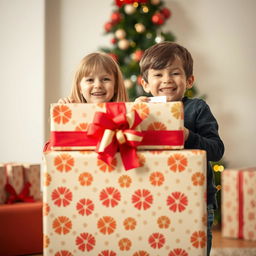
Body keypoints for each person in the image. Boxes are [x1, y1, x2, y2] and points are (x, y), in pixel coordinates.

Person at [135, 41, 224, 256]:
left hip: (196, 200)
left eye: (174, 73)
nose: (166, 80)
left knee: (194, 249)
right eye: (158, 75)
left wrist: (188, 136)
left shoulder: (197, 109)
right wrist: (134, 113)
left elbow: (216, 149)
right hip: (153, 198)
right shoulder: (141, 109)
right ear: (145, 84)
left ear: (189, 80)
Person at [44, 51, 129, 151]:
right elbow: (51, 151)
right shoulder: (70, 114)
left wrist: (141, 107)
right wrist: (62, 119)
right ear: (79, 87)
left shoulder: (127, 117)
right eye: (90, 80)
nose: (97, 85)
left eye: (105, 79)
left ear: (115, 86)